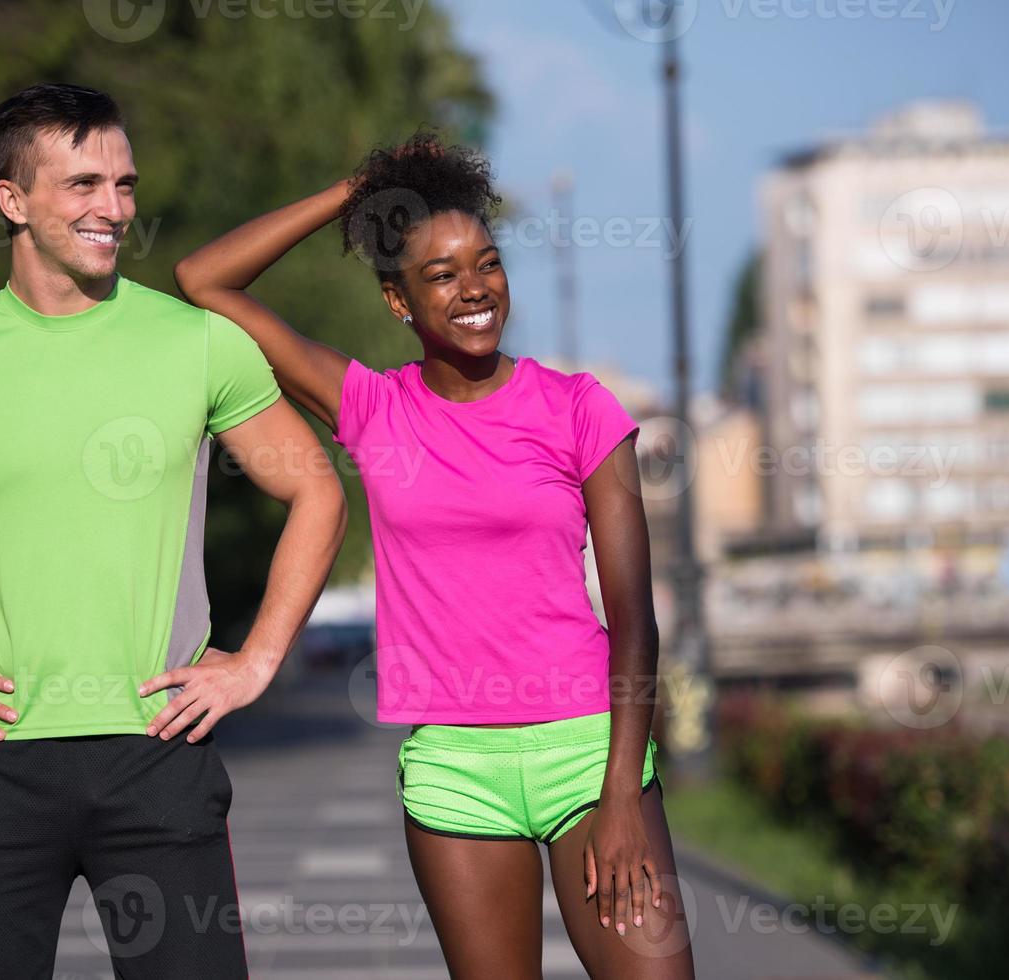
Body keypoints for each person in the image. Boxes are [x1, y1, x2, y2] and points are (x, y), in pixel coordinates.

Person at [0, 82, 347, 979]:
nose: (113, 208)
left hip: (159, 755)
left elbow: (317, 491)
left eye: (123, 184)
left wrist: (257, 661)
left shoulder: (197, 342)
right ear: (13, 200)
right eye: (83, 185)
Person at [175, 134, 695, 978]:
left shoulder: (578, 410)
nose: (474, 289)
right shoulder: (373, 409)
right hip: (457, 770)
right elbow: (204, 280)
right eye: (442, 275)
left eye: (486, 264)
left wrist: (623, 796)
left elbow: (633, 621)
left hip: (587, 751)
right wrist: (360, 192)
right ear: (398, 301)